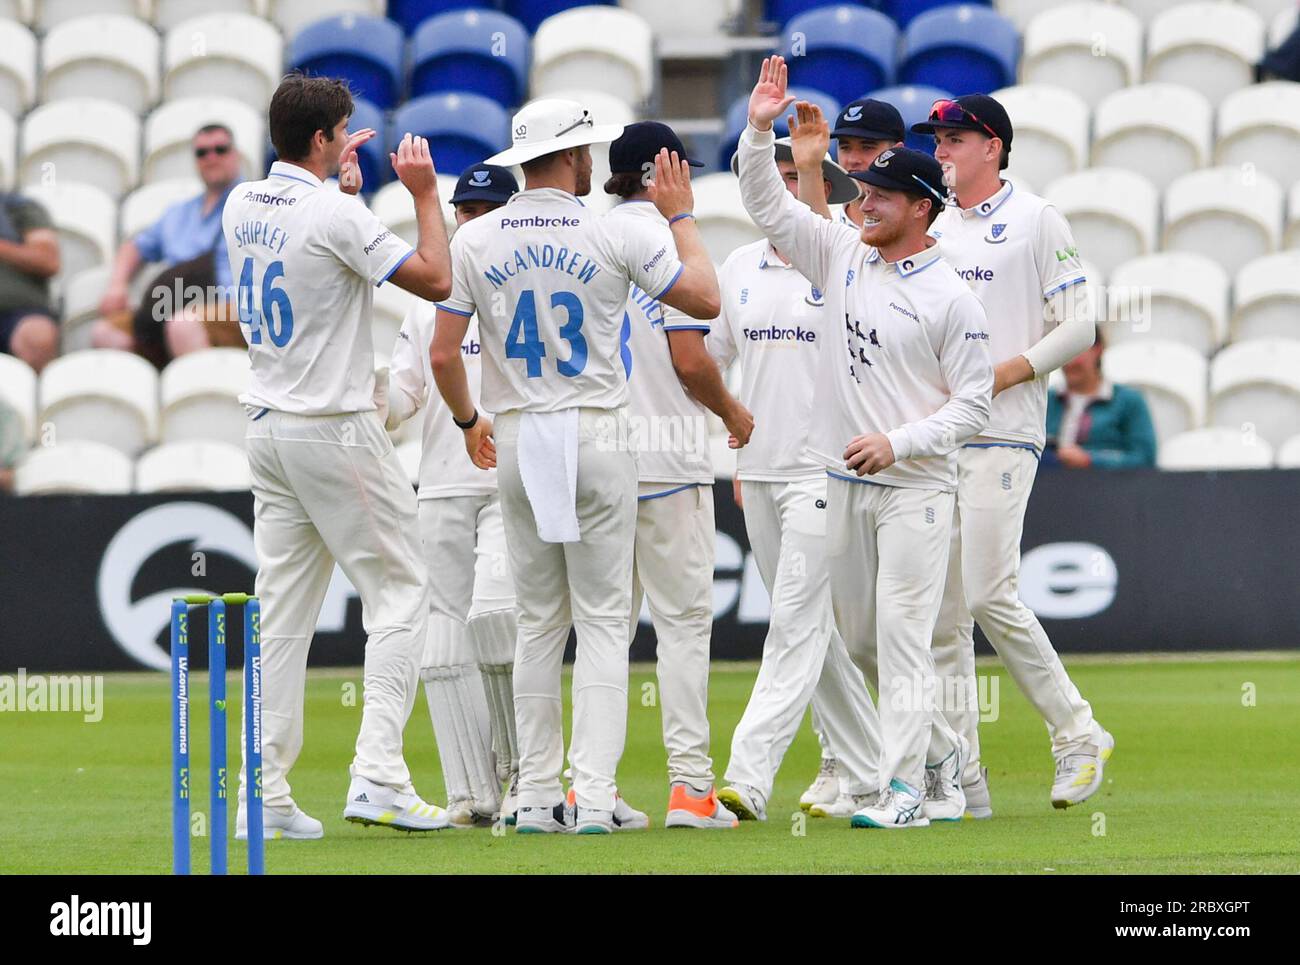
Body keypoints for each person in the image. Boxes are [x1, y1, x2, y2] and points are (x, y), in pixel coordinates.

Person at [429, 98, 720, 835]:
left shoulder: (477, 237)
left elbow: (441, 353)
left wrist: (468, 422)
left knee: (536, 625)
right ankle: (591, 795)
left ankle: (533, 794)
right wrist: (681, 216)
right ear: (573, 157)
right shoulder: (608, 227)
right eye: (586, 148)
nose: (594, 160)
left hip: (520, 431)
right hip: (595, 428)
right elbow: (704, 298)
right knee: (598, 621)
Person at [738, 56, 994, 829]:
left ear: (921, 208)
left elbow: (976, 405)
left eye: (880, 196)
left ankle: (905, 792)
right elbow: (767, 207)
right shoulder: (841, 254)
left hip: (915, 488)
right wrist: (758, 130)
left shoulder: (951, 295)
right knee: (859, 641)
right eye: (863, 193)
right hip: (843, 483)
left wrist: (900, 440)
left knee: (902, 636)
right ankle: (945, 758)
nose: (864, 204)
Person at [224, 73, 455, 839]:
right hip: (333, 425)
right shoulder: (332, 213)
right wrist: (421, 191)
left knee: (283, 609)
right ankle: (380, 774)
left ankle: (262, 787)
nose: (349, 139)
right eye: (342, 131)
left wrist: (345, 190)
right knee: (402, 587)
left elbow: (320, 241)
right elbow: (435, 277)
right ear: (323, 139)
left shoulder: (242, 202)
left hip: (267, 425)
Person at [916, 93, 1114, 814]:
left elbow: (1080, 323)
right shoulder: (932, 225)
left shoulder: (1035, 218)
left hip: (1004, 429)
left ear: (992, 146)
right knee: (942, 617)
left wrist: (1006, 372)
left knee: (989, 592)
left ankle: (1078, 731)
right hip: (940, 437)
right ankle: (965, 780)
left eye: (955, 139)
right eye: (937, 140)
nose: (941, 151)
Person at [710, 135, 885, 823]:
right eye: (772, 175)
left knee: (792, 623)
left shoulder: (848, 261)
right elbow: (716, 357)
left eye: (795, 176)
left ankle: (749, 774)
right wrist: (731, 425)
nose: (780, 187)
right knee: (817, 633)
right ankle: (892, 769)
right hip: (760, 470)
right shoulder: (739, 266)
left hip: (827, 468)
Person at [603, 121, 752, 830]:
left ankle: (587, 789)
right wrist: (734, 414)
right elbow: (693, 360)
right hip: (667, 460)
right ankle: (690, 789)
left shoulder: (588, 240)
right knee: (683, 629)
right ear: (664, 172)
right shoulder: (667, 240)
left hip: (596, 460)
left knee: (598, 631)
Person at [383, 162, 521, 829]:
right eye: (465, 212)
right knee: (440, 642)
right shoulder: (422, 304)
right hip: (439, 484)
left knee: (497, 620)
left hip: (509, 482)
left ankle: (525, 776)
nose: (474, 223)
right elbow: (403, 399)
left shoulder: (523, 290)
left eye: (488, 213)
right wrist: (356, 400)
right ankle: (472, 792)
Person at [791, 97, 904, 813]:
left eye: (867, 149)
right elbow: (816, 242)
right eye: (848, 147)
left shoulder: (922, 238)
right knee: (852, 626)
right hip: (840, 452)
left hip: (915, 460)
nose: (853, 158)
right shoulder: (849, 238)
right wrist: (807, 167)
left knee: (921, 628)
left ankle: (931, 769)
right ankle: (850, 759)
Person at [96, 124, 244, 363]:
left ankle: (203, 397)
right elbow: (137, 246)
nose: (211, 158)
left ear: (235, 155)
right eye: (202, 152)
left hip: (239, 306)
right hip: (176, 306)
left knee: (183, 325)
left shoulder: (255, 202)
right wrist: (117, 285)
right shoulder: (179, 213)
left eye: (220, 149)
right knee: (106, 334)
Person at [1044, 331, 1156, 470]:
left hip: (1107, 487)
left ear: (1098, 349)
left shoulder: (1128, 401)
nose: (1069, 363)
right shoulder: (1046, 401)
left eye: (1075, 353)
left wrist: (1090, 460)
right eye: (1063, 354)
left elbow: (1144, 458)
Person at [0, 192, 60, 373]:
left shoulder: (17, 208)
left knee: (37, 337)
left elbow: (48, 260)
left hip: (16, 313)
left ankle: (37, 397)